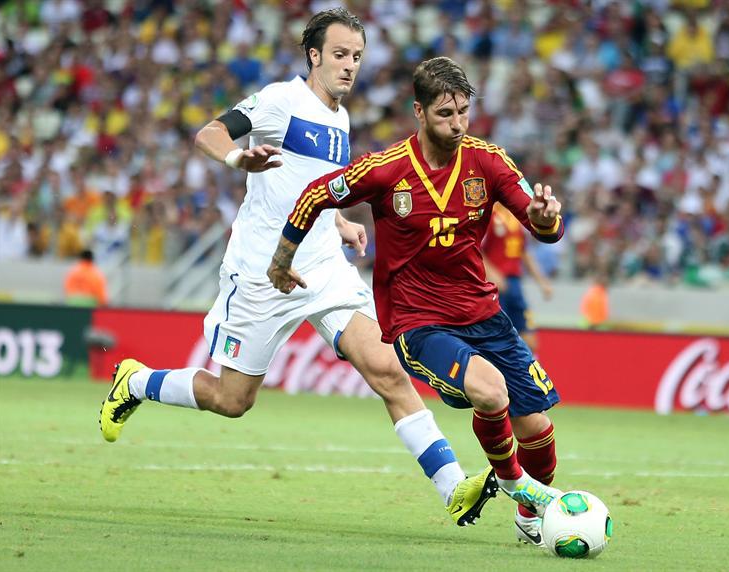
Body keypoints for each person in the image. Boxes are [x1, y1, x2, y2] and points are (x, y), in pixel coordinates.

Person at [99, 9, 498, 527]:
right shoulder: (279, 100)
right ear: (314, 56)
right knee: (232, 399)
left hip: (323, 267)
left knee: (386, 369)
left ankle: (453, 487)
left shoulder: (340, 119)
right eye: (339, 55)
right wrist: (236, 160)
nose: (349, 66)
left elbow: (313, 190)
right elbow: (210, 133)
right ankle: (136, 382)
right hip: (263, 274)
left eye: (356, 57)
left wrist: (337, 225)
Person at [268, 56, 566, 546]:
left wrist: (545, 217)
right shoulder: (385, 170)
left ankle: (533, 515)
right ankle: (515, 484)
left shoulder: (489, 161)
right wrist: (283, 259)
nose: (457, 125)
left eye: (464, 113)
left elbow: (544, 228)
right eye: (446, 114)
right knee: (491, 392)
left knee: (536, 425)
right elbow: (314, 195)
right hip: (418, 321)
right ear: (419, 112)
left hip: (484, 313)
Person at [482, 202, 553, 353]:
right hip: (495, 287)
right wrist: (492, 273)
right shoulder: (489, 213)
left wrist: (542, 281)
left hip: (515, 284)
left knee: (530, 340)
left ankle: (528, 375)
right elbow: (474, 247)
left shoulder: (517, 215)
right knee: (498, 339)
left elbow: (524, 252)